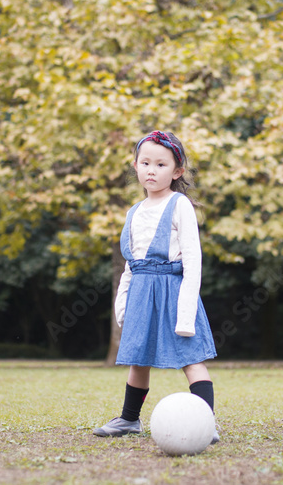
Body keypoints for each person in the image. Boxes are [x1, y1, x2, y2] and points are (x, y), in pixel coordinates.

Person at [93, 130, 218, 442]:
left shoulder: (180, 206)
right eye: (145, 162)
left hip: (174, 293)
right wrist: (122, 305)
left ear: (176, 172)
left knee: (191, 359)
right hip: (141, 293)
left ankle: (206, 424)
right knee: (139, 358)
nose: (151, 169)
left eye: (161, 164)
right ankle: (129, 419)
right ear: (135, 166)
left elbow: (193, 260)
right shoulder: (133, 212)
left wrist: (186, 312)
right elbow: (130, 266)